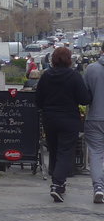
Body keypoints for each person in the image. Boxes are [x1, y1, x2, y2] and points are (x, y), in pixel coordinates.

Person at [35, 45, 91, 202]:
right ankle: (57, 185)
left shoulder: (46, 76)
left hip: (50, 119)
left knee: (53, 150)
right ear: (69, 60)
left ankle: (59, 182)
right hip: (69, 119)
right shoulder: (74, 76)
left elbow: (38, 100)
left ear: (52, 59)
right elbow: (84, 99)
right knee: (65, 152)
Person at [83, 51, 104, 203]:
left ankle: (98, 187)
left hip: (95, 117)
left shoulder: (91, 69)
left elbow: (84, 96)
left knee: (96, 153)